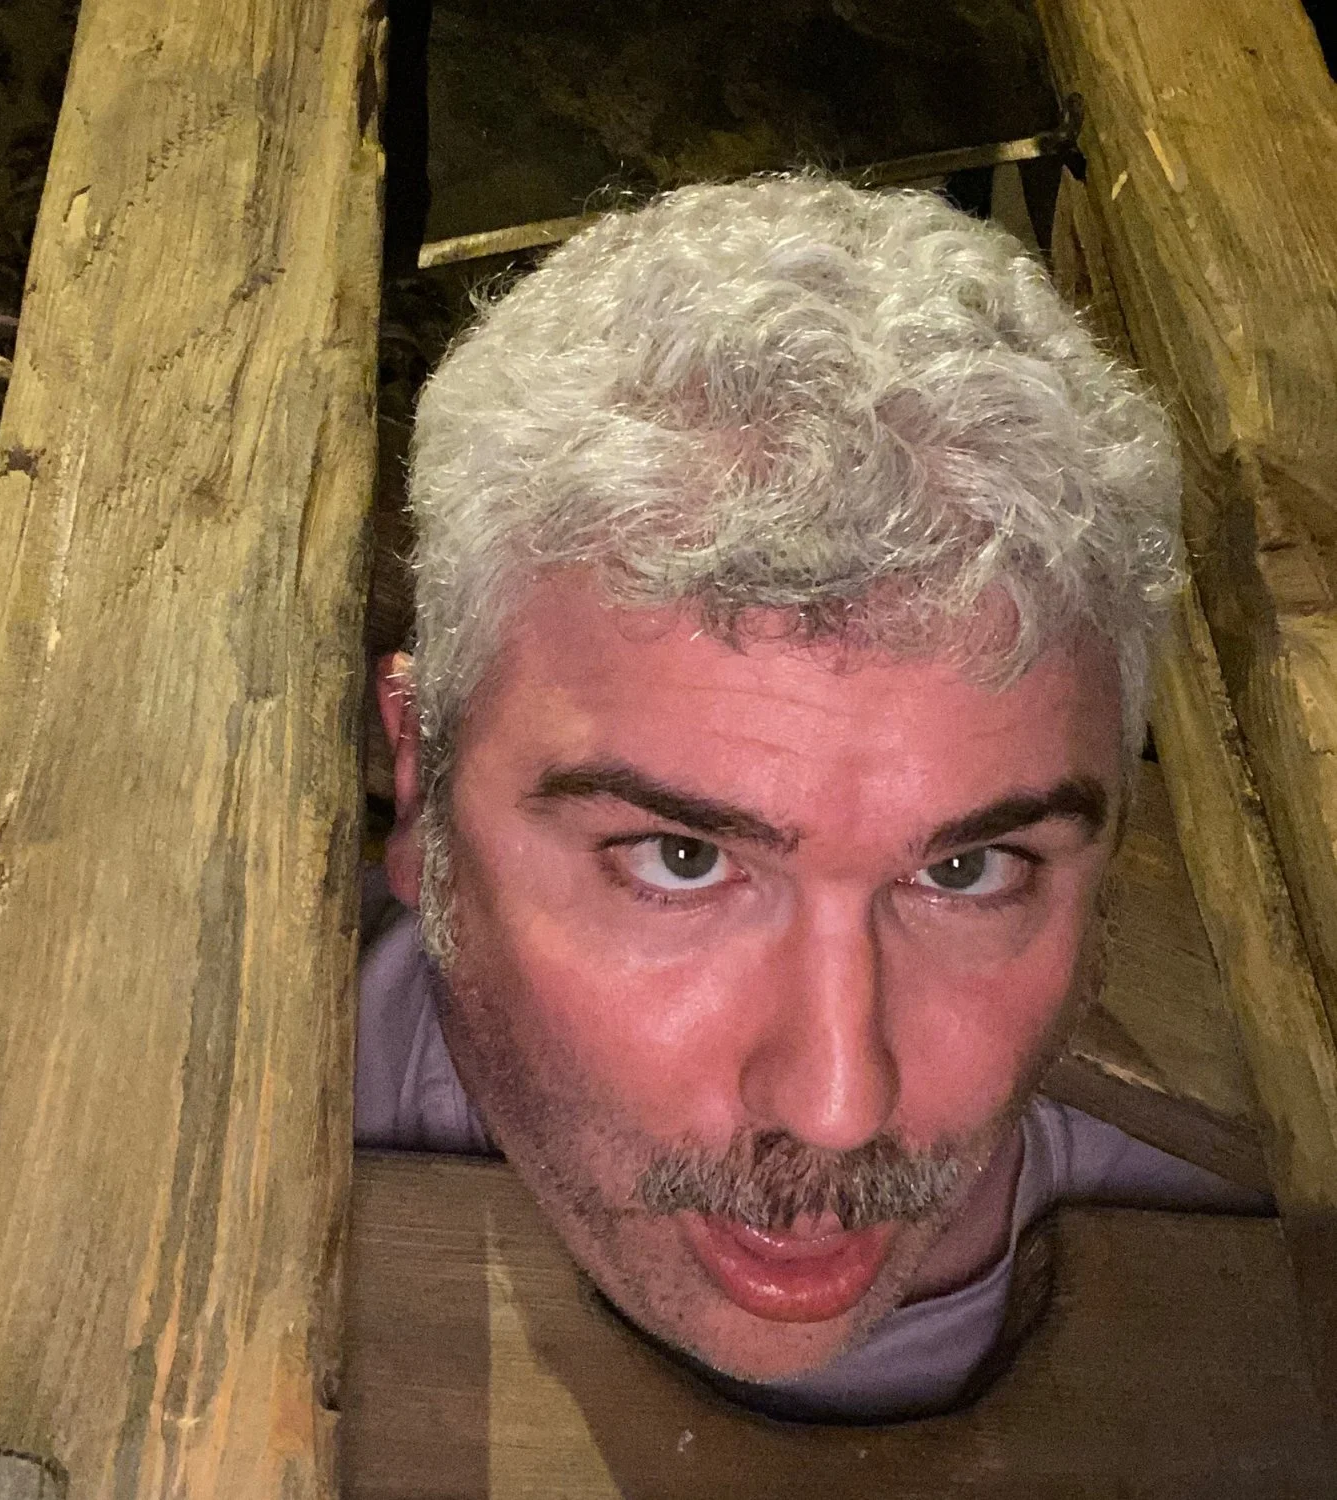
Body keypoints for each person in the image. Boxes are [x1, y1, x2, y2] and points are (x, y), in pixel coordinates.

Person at [353, 173, 1264, 1421]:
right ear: (421, 782)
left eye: (966, 871)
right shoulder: (137, 1167)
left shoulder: (1251, 1239)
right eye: (678, 860)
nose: (839, 1109)